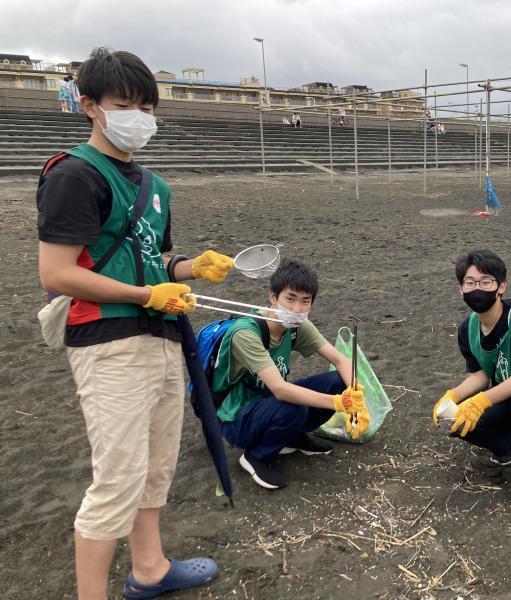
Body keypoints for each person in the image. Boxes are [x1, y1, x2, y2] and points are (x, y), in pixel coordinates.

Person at [36, 47, 235, 599]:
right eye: (124, 104)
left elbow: (153, 259)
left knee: (155, 466)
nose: (138, 117)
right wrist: (150, 293)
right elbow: (56, 274)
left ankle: (149, 568)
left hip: (163, 337)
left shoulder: (155, 187)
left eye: (146, 106)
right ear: (89, 106)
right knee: (117, 478)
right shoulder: (74, 175)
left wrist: (193, 268)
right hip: (108, 342)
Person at [213, 260, 369, 490]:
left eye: (305, 301)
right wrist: (338, 403)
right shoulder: (245, 333)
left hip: (268, 403)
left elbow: (340, 360)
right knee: (293, 405)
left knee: (338, 381)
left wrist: (356, 398)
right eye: (290, 298)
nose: (297, 309)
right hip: (236, 417)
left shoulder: (297, 327)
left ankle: (293, 437)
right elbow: (280, 389)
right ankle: (256, 456)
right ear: (273, 296)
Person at [432, 250, 511, 509]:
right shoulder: (467, 328)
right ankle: (506, 445)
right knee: (453, 418)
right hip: (502, 396)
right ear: (460, 290)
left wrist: (481, 401)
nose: (477, 289)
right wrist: (453, 396)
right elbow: (481, 375)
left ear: (501, 287)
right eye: (470, 282)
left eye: (486, 282)